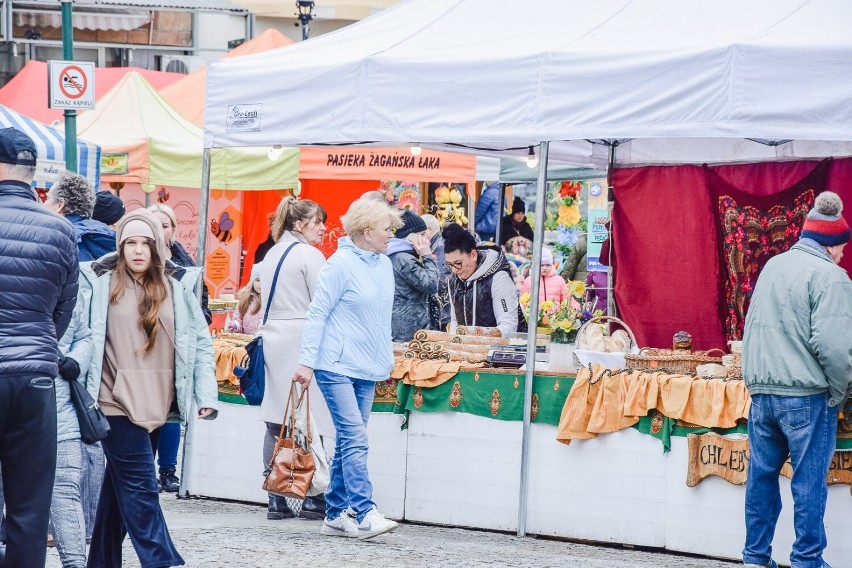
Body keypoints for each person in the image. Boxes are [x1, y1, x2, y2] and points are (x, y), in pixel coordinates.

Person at [80, 209, 218, 567]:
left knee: (119, 490)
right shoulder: (98, 282)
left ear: (158, 246)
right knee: (142, 489)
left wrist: (204, 395)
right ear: (120, 246)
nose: (138, 250)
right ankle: (162, 561)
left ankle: (101, 562)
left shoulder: (177, 286)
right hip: (113, 401)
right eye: (130, 243)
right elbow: (80, 336)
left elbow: (199, 342)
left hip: (159, 403)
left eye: (146, 243)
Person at [741, 191, 852, 568]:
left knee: (761, 479)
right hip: (805, 395)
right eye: (840, 249)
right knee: (807, 484)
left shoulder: (773, 266)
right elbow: (834, 347)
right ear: (831, 244)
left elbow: (750, 327)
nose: (842, 257)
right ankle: (807, 561)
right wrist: (839, 392)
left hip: (762, 394)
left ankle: (755, 557)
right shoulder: (831, 276)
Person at [292, 199, 403, 540]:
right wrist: (307, 362)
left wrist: (386, 358)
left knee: (348, 440)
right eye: (387, 228)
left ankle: (336, 513)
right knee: (355, 437)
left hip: (368, 366)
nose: (392, 234)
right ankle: (365, 511)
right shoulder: (338, 265)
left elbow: (382, 319)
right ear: (367, 232)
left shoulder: (384, 264)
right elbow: (318, 314)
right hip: (335, 365)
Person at [0, 127, 79, 568]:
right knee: (30, 507)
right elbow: (62, 312)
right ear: (30, 173)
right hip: (33, 377)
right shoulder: (60, 229)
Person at [258, 197, 334, 521]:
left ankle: (276, 495)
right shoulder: (309, 254)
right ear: (300, 224)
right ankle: (313, 496)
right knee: (308, 419)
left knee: (277, 418)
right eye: (317, 222)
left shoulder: (272, 252)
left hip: (272, 338)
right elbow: (323, 302)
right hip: (300, 338)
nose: (323, 228)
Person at [43, 171, 108, 543]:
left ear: (61, 205)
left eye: (49, 201)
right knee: (90, 447)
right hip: (91, 364)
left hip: (53, 367)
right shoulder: (113, 241)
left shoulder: (58, 240)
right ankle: (87, 529)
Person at [148, 203, 212, 493]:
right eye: (156, 224)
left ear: (173, 229)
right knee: (148, 411)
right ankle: (145, 469)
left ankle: (168, 470)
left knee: (172, 410)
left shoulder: (187, 265)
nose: (161, 230)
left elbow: (203, 308)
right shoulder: (137, 259)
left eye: (166, 224)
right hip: (146, 350)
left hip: (176, 349)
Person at [49, 295, 94, 568]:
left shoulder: (66, 287)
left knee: (65, 489)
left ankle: (76, 563)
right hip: (12, 405)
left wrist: (76, 360)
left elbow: (84, 335)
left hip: (61, 409)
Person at [442, 223, 521, 337]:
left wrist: (477, 341)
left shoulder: (498, 278)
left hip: (495, 351)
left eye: (458, 263)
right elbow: (455, 321)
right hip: (465, 352)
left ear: (473, 255)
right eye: (449, 265)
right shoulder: (453, 280)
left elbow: (508, 325)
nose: (454, 270)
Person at [387, 210, 439, 342]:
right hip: (409, 328)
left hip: (404, 324)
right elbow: (431, 285)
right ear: (410, 236)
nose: (426, 239)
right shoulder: (404, 259)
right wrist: (427, 255)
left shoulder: (397, 255)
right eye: (422, 234)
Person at [45, 172, 115, 262]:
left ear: (60, 205)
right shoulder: (106, 235)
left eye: (47, 198)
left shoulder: (60, 240)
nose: (44, 203)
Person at [422, 214, 451, 330]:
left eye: (422, 233)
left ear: (429, 229)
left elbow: (441, 277)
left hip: (444, 306)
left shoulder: (439, 246)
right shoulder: (438, 244)